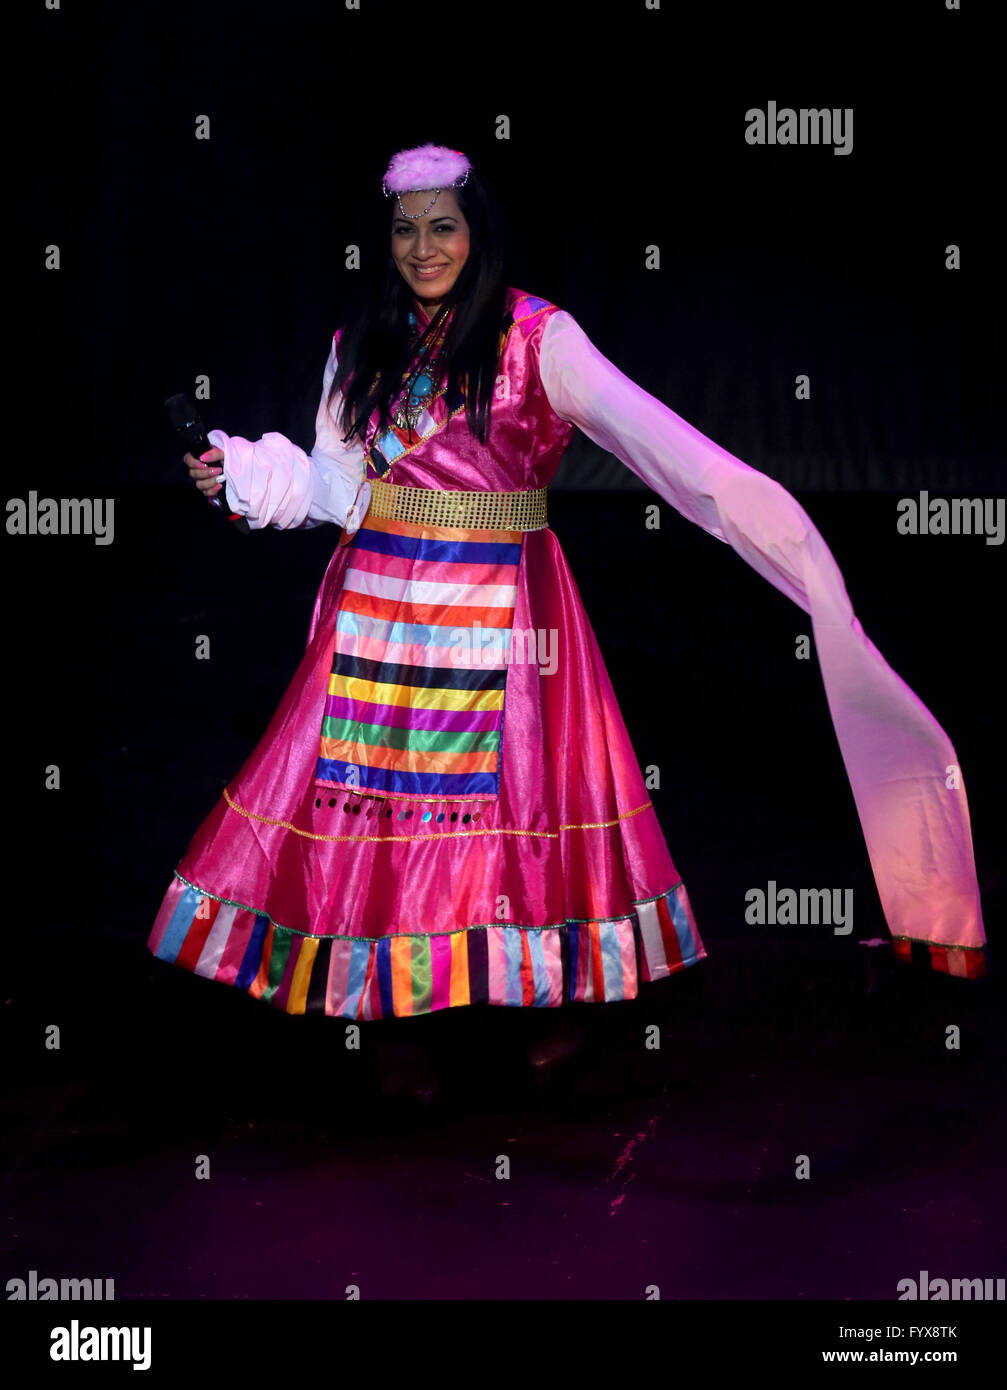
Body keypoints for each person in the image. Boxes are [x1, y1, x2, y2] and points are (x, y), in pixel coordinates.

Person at [149, 142, 986, 1092]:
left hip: (506, 610)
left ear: (478, 232)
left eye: (444, 227)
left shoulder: (540, 339)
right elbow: (337, 487)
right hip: (378, 613)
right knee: (388, 818)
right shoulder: (361, 344)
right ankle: (391, 1001)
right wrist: (247, 475)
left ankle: (541, 992)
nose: (424, 248)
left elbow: (662, 446)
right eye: (405, 229)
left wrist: (770, 525)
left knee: (517, 809)